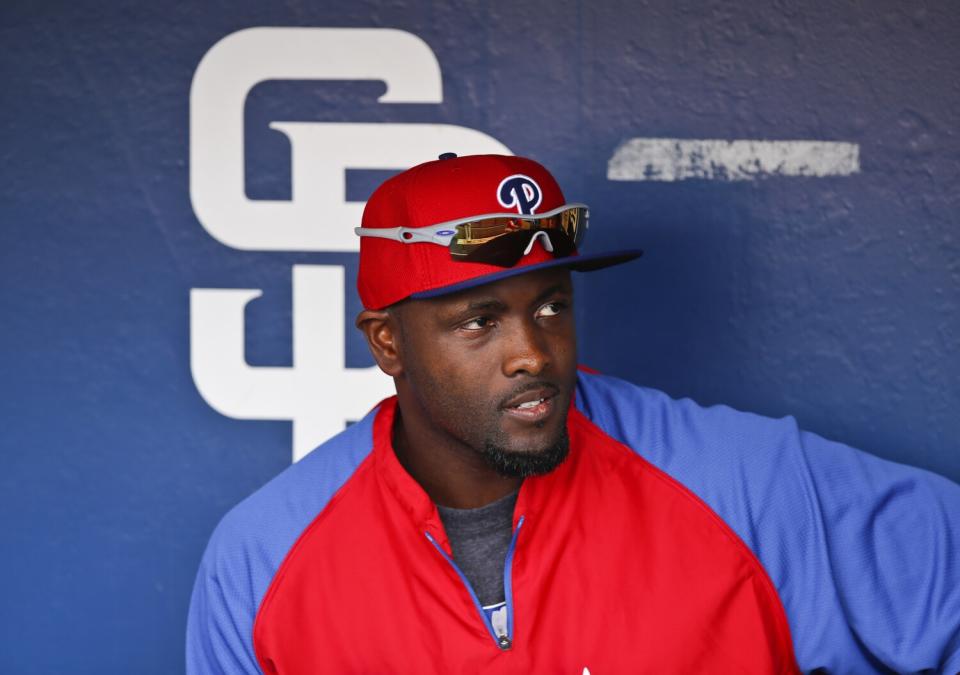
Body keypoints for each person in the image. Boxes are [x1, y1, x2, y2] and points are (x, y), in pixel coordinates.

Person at [187, 154, 960, 674]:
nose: (532, 352)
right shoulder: (263, 561)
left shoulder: (744, 483)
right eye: (479, 320)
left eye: (552, 304)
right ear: (388, 343)